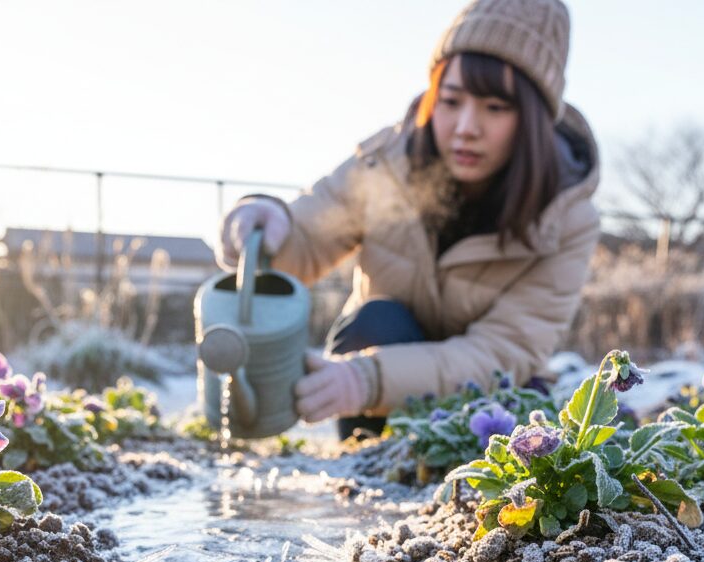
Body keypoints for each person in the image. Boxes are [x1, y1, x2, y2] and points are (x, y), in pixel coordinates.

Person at [216, 0, 601, 440]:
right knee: (377, 319)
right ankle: (365, 460)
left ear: (533, 118)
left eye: (495, 107)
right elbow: (306, 237)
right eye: (451, 101)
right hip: (378, 357)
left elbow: (503, 351)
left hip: (484, 405)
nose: (465, 127)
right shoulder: (386, 163)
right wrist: (268, 226)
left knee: (520, 418)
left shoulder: (566, 217)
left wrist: (368, 379)